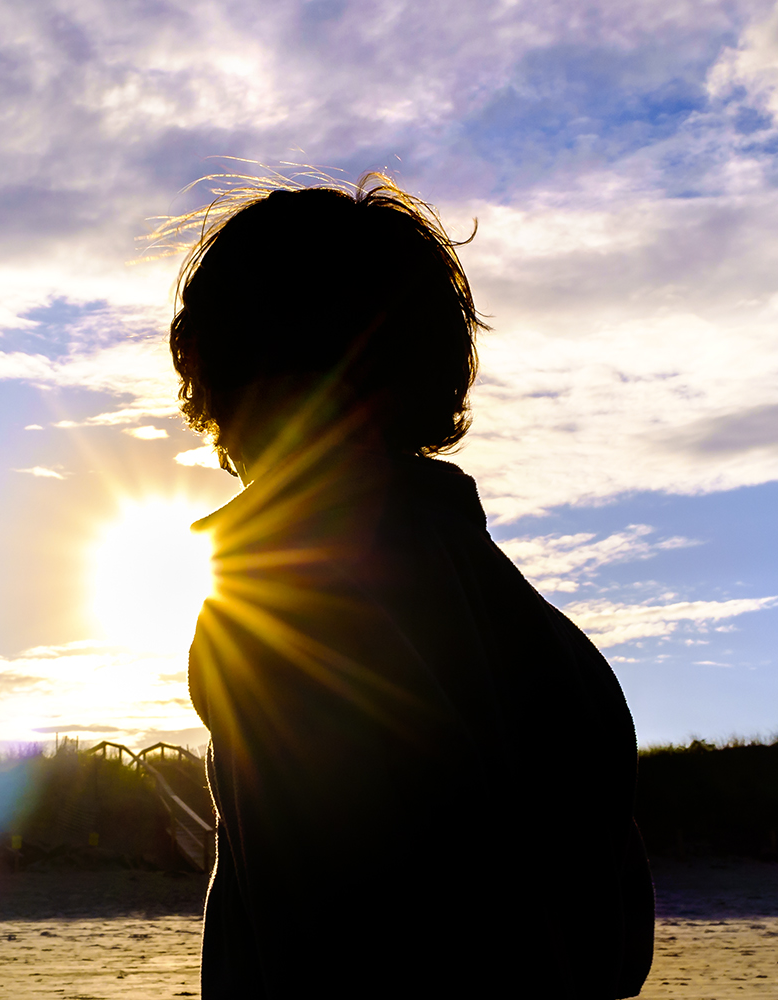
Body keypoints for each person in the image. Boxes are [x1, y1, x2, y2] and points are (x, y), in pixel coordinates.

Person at [170, 177, 654, 998]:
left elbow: (317, 946)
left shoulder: (280, 614)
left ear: (220, 373)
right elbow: (621, 943)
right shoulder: (551, 639)